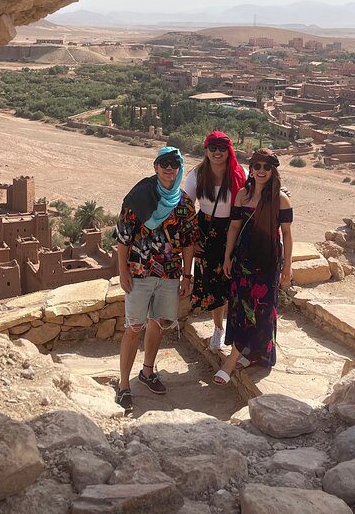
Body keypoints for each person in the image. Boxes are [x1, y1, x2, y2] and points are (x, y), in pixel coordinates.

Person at [113, 146, 197, 410]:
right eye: (164, 163)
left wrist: (186, 275)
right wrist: (123, 271)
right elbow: (123, 238)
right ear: (155, 166)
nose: (169, 168)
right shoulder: (138, 197)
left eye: (174, 164)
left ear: (179, 168)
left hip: (170, 274)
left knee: (158, 323)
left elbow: (188, 242)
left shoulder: (183, 203)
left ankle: (147, 372)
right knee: (133, 327)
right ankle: (124, 385)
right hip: (140, 272)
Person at [213, 148, 293, 385]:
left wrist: (288, 266)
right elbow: (234, 228)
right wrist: (227, 257)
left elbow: (287, 234)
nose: (261, 171)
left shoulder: (281, 200)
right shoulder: (242, 195)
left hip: (268, 260)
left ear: (272, 170)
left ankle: (246, 356)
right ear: (251, 168)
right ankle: (239, 354)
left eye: (266, 167)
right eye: (257, 166)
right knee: (239, 306)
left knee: (263, 308)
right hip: (244, 259)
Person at [182, 131, 246, 350]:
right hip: (207, 233)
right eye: (213, 148)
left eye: (222, 148)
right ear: (206, 150)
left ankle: (237, 329)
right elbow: (186, 208)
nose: (217, 152)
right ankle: (219, 328)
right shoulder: (197, 175)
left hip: (235, 231)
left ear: (229, 151)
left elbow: (256, 195)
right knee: (213, 284)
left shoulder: (240, 173)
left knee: (236, 281)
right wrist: (192, 238)